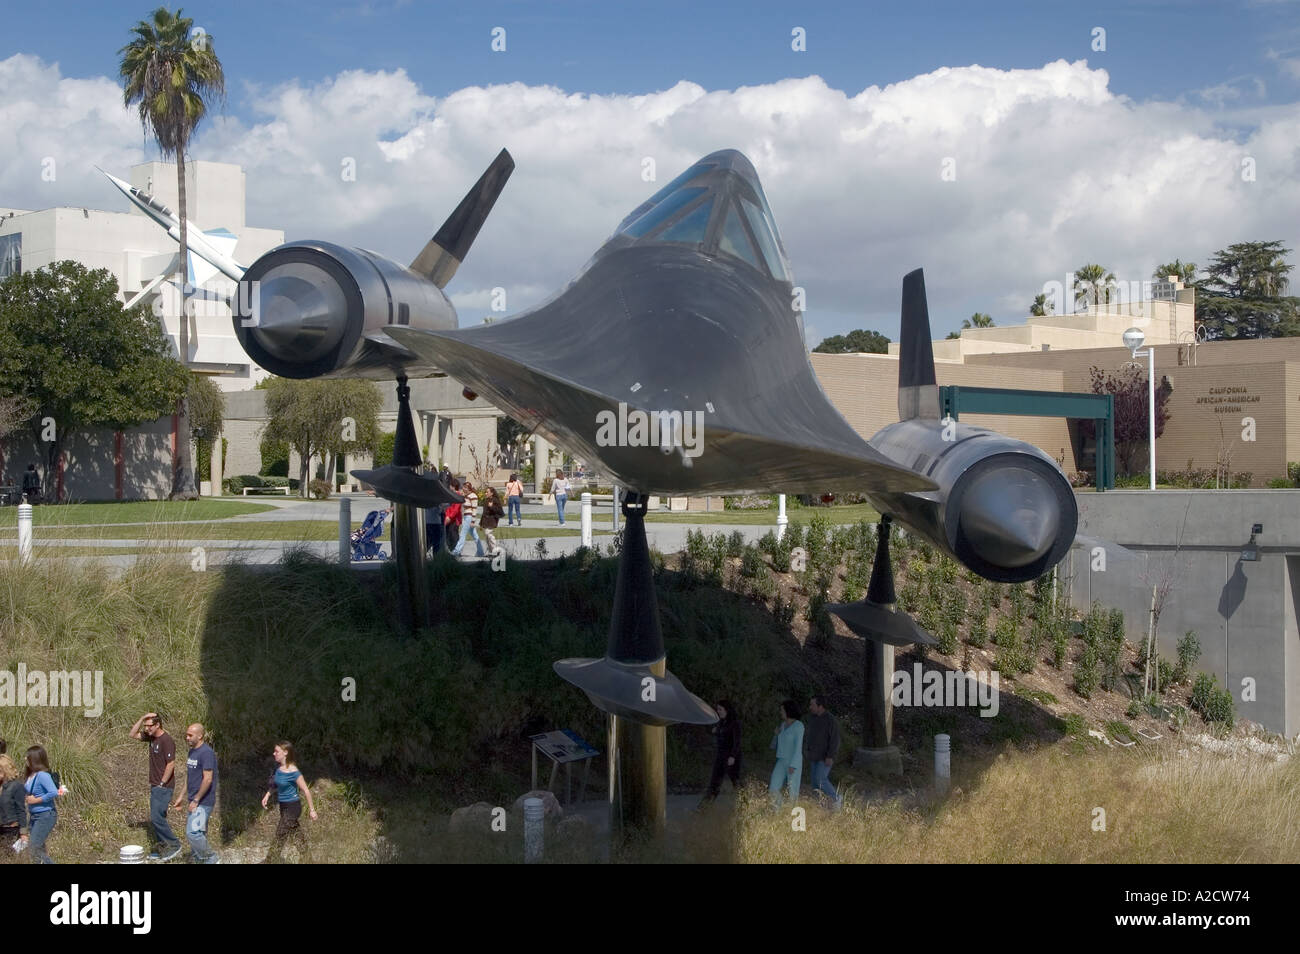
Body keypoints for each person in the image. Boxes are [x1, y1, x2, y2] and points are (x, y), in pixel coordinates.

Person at [129, 712, 182, 862]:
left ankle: (174, 845)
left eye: (149, 726)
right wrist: (142, 717)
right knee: (158, 817)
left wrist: (162, 783)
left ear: (158, 725)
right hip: (155, 785)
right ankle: (163, 848)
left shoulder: (167, 740)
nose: (146, 729)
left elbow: (171, 764)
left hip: (163, 786)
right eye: (145, 726)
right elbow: (132, 734)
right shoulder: (151, 737)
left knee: (157, 818)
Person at [260, 741, 318, 863]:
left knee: (280, 834)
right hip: (283, 806)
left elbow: (306, 790)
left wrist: (312, 810)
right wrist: (267, 795)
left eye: (277, 751)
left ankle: (269, 861)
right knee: (296, 833)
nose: (274, 753)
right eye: (274, 751)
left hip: (293, 807)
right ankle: (308, 859)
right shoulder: (278, 769)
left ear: (285, 753)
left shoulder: (293, 771)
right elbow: (275, 785)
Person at [171, 723, 219, 864]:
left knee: (193, 833)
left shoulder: (206, 753)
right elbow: (190, 776)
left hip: (203, 801)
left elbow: (208, 778)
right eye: (186, 734)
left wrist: (197, 799)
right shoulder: (192, 752)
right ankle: (201, 860)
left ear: (200, 736)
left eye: (190, 735)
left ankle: (211, 858)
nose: (187, 738)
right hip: (194, 799)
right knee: (200, 832)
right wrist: (181, 796)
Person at [23, 744, 63, 863]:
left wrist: (36, 800)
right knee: (38, 849)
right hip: (34, 816)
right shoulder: (31, 775)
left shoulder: (42, 775)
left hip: (45, 815)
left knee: (34, 848)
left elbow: (53, 792)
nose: (25, 759)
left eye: (28, 757)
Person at [698, 700, 742, 806]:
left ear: (727, 710)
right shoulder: (721, 722)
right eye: (717, 709)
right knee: (714, 783)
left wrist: (732, 756)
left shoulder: (734, 723)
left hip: (731, 757)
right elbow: (721, 735)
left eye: (720, 709)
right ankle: (703, 808)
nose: (718, 711)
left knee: (736, 782)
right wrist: (716, 731)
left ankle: (745, 806)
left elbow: (737, 741)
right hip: (721, 756)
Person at [805, 695, 843, 810]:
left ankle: (836, 798)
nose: (810, 707)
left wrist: (830, 756)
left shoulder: (830, 720)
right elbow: (809, 736)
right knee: (814, 784)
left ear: (820, 706)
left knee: (820, 779)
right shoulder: (812, 718)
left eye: (812, 704)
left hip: (825, 757)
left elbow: (835, 740)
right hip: (813, 756)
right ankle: (821, 805)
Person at [769, 700, 804, 810]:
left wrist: (793, 765)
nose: (780, 712)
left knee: (792, 791)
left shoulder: (799, 726)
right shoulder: (782, 725)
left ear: (788, 711)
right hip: (781, 760)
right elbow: (773, 745)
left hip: (793, 762)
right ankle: (777, 811)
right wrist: (776, 734)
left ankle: (792, 816)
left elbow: (798, 747)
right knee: (773, 787)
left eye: (782, 710)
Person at [0, 754, 27, 853]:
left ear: (6, 770)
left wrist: (23, 833)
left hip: (10, 829)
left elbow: (21, 810)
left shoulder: (16, 786)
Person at [452, 480, 485, 558]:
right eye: (463, 487)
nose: (463, 488)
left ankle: (456, 551)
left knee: (463, 534)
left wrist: (473, 521)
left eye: (465, 487)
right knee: (474, 535)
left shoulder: (473, 496)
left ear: (469, 488)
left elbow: (474, 509)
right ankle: (480, 552)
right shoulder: (466, 496)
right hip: (466, 516)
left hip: (469, 517)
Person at [479, 486, 505, 555]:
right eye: (486, 492)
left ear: (492, 493)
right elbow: (484, 512)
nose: (486, 493)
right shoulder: (486, 500)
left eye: (487, 492)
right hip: (486, 520)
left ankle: (495, 550)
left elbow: (500, 511)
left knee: (488, 534)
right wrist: (481, 523)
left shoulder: (495, 500)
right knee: (487, 537)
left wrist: (492, 507)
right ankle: (491, 552)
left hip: (492, 520)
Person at [443, 479, 463, 553]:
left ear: (453, 486)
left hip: (454, 520)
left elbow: (456, 509)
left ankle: (456, 551)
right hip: (449, 518)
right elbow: (448, 507)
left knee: (453, 536)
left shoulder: (458, 495)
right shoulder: (451, 494)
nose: (449, 487)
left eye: (450, 486)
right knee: (448, 535)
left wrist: (450, 517)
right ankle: (451, 550)